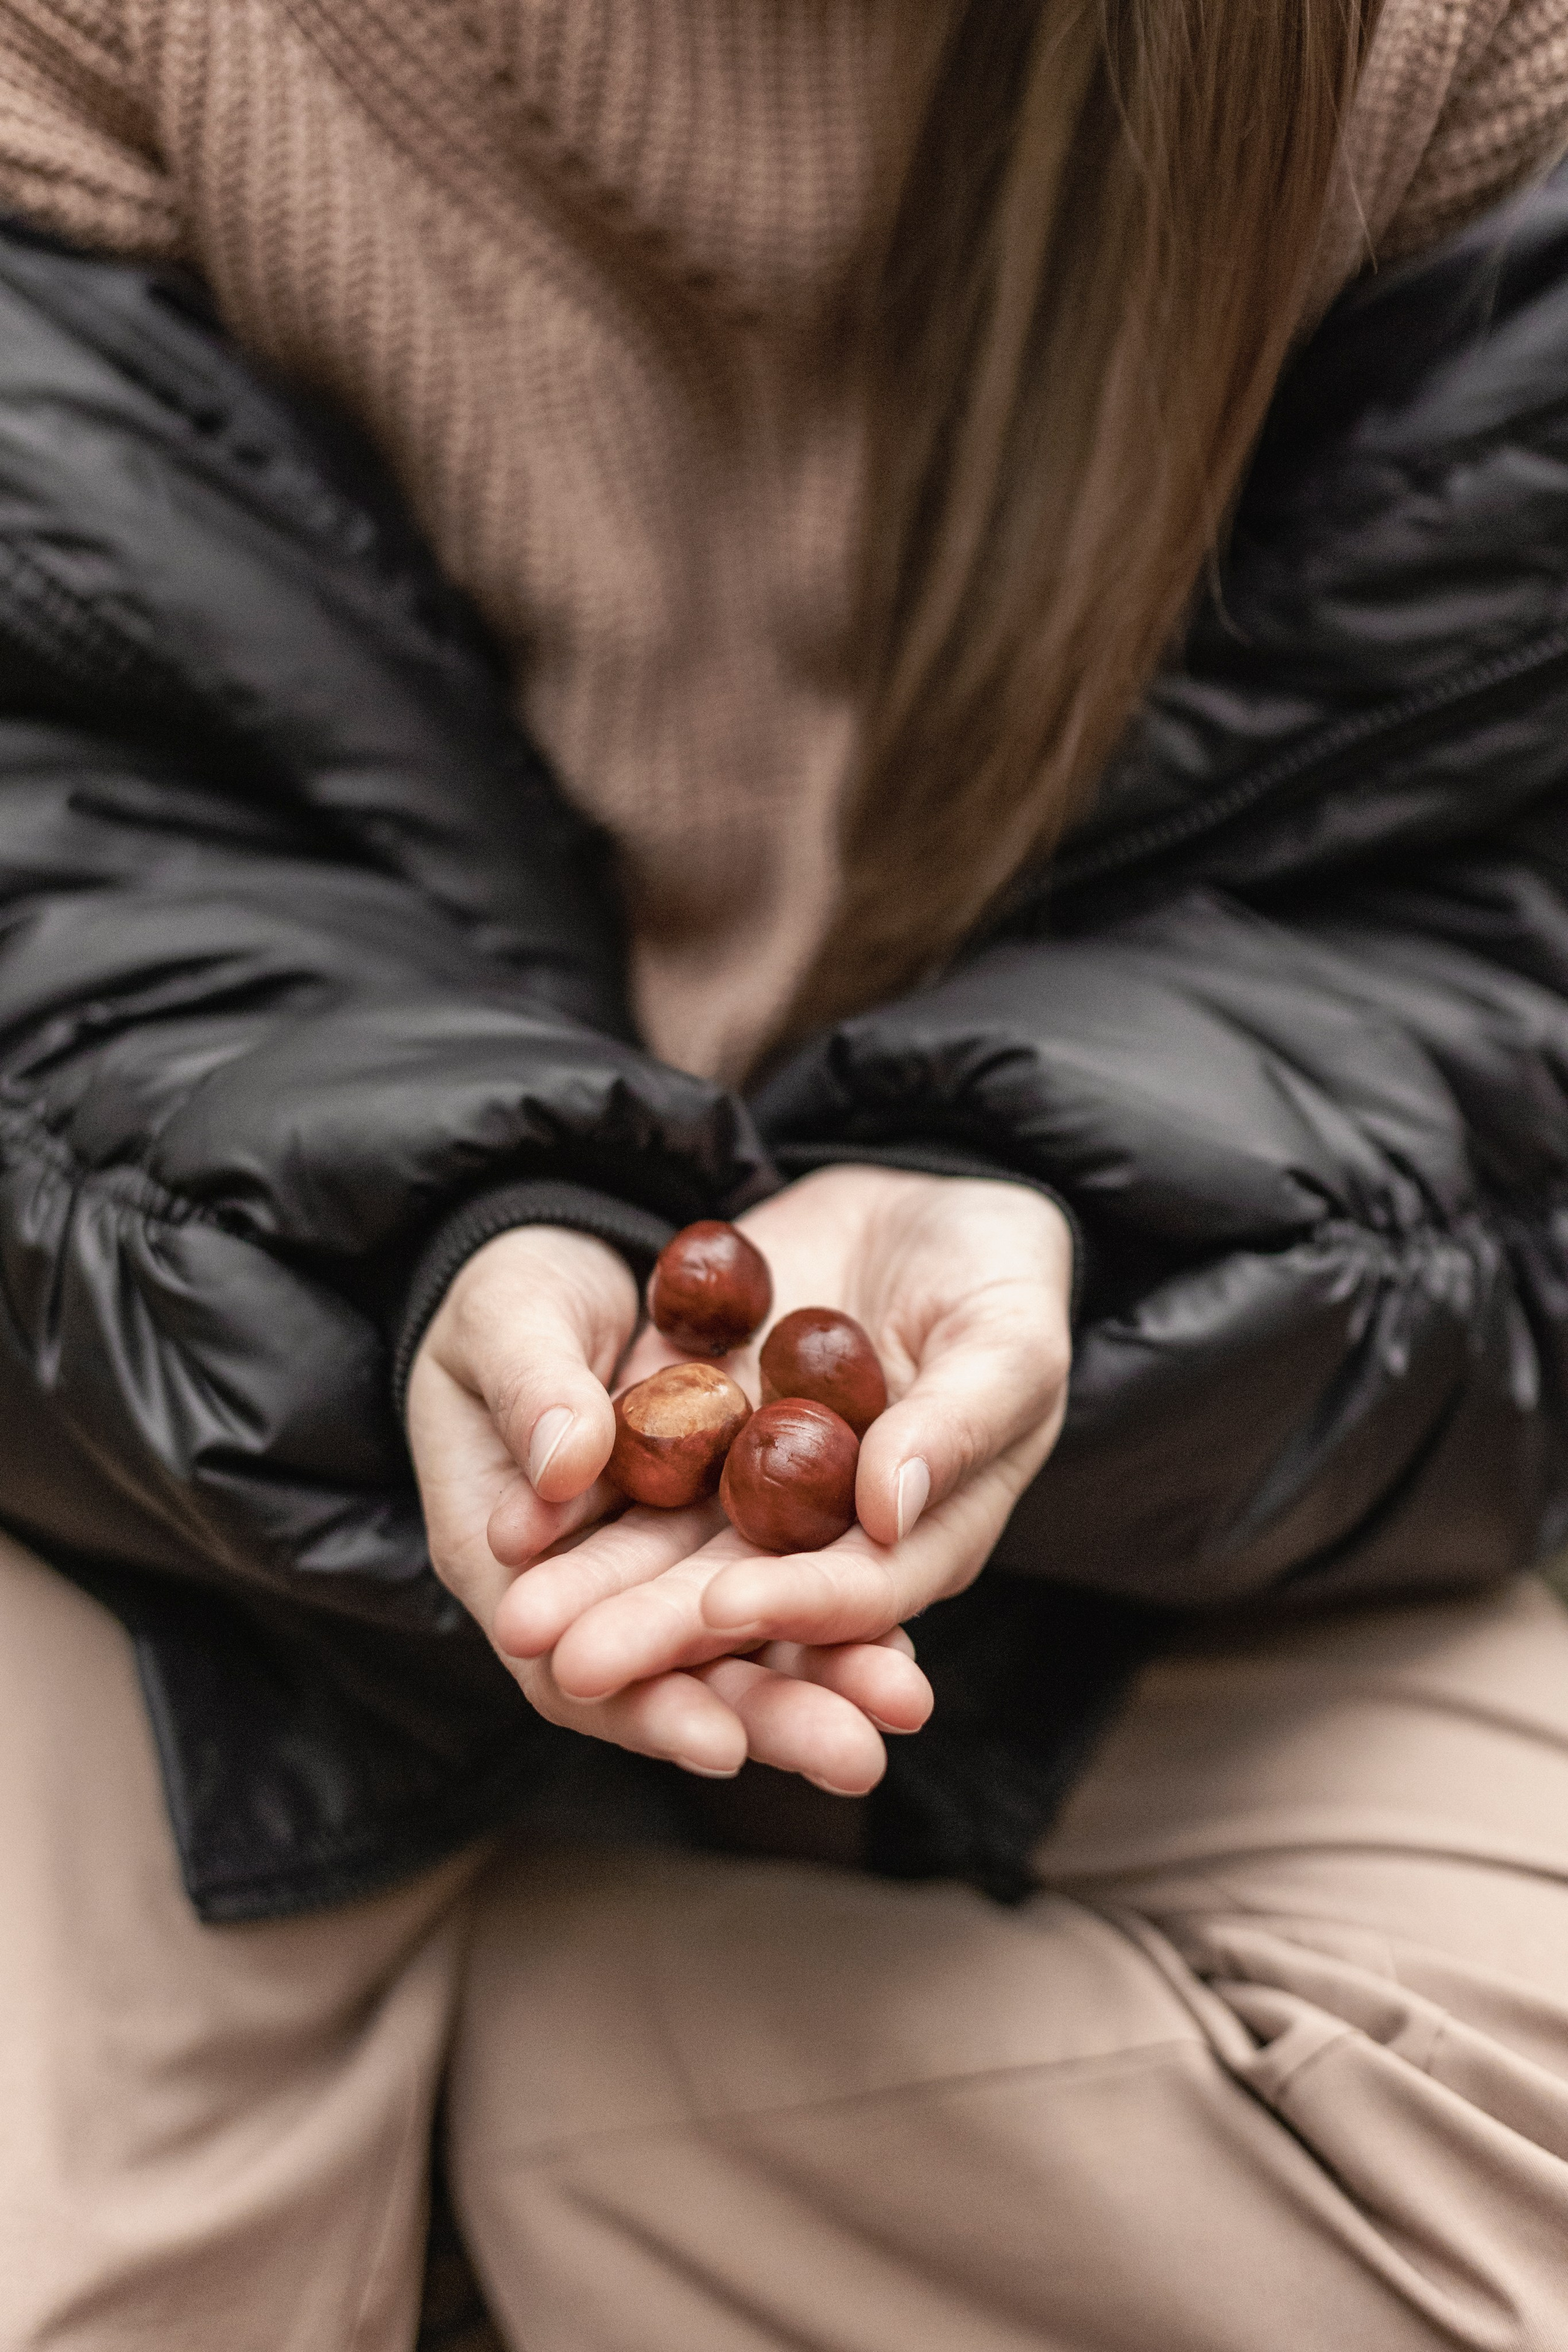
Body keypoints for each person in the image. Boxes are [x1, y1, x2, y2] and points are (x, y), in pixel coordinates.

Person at [4, 1, 1568, 2344]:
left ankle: (549, 2114)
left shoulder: (1459, 47)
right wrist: (405, 1242)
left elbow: (1492, 931)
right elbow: (63, 850)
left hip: (1136, 1493)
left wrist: (1072, 1220)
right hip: (209, 1474)